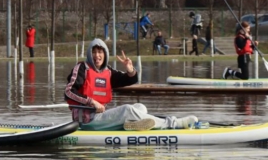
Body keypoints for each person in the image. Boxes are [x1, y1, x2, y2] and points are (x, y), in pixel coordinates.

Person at [64, 39, 198, 131]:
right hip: (86, 121)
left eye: (100, 52)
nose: (97, 55)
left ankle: (130, 124)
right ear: (89, 53)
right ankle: (173, 123)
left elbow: (129, 79)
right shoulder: (82, 68)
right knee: (127, 109)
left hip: (100, 117)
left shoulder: (107, 71)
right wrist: (92, 102)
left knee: (140, 107)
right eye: (94, 52)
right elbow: (68, 92)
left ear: (105, 54)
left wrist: (130, 70)